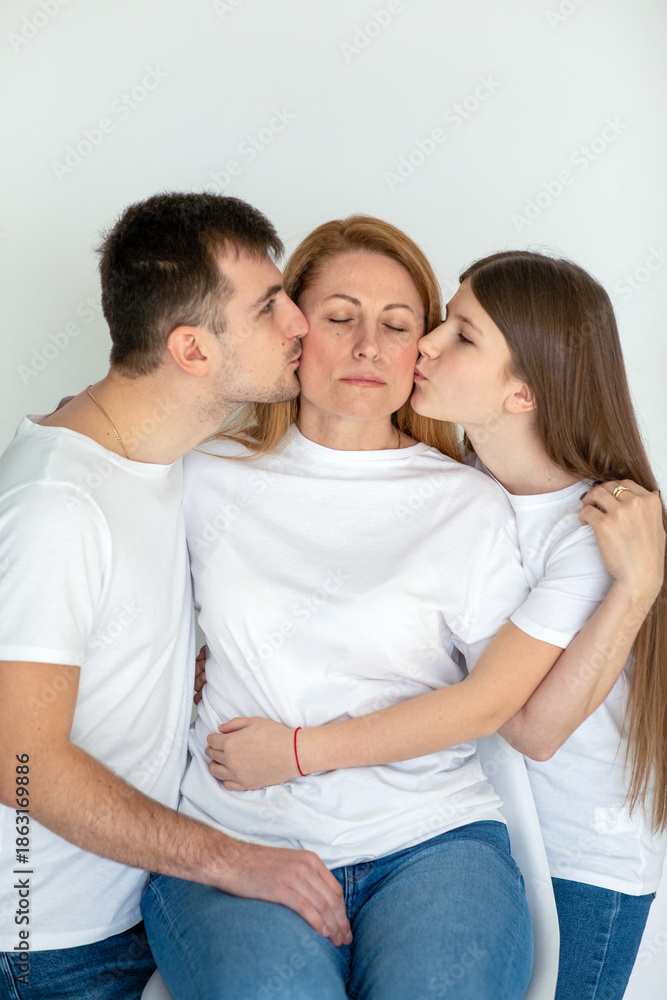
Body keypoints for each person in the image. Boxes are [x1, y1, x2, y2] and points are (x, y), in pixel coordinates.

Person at [141, 216, 631, 1000]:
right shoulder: (201, 478)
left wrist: (299, 748)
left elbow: (501, 706)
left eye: (398, 325)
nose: (368, 346)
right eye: (340, 317)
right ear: (293, 330)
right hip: (237, 834)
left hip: (430, 840)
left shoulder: (471, 503)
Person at [0, 192, 352, 1000]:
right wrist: (234, 861)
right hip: (50, 949)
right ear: (191, 348)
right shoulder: (56, 505)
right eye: (268, 307)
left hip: (138, 908)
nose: (299, 322)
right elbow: (20, 761)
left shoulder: (154, 461)